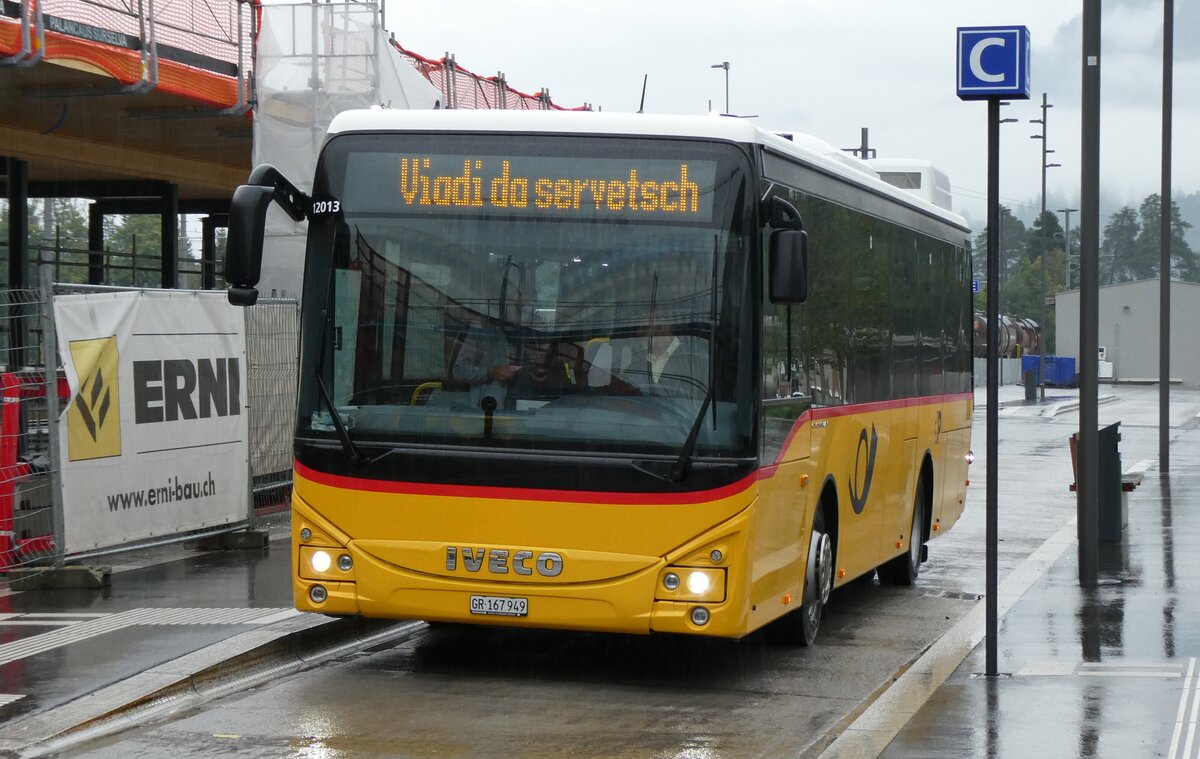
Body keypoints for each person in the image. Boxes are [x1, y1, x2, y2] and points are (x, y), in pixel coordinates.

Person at [452, 318, 519, 409]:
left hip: (505, 405)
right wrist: (489, 372)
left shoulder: (506, 332)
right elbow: (459, 370)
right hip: (482, 408)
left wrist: (513, 374)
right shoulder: (479, 332)